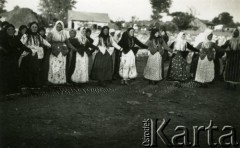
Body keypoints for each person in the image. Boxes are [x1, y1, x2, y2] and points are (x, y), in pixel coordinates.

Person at [0, 24, 32, 95]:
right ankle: (6, 91)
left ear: (14, 30)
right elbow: (3, 49)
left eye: (12, 29)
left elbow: (21, 45)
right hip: (5, 59)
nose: (11, 31)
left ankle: (13, 90)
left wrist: (29, 50)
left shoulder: (16, 38)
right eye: (9, 29)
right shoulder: (3, 38)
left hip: (13, 59)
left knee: (14, 74)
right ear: (6, 31)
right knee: (6, 75)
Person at [20, 22, 51, 88]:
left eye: (36, 27)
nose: (34, 28)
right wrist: (29, 50)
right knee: (29, 70)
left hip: (36, 54)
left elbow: (44, 41)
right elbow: (21, 44)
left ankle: (34, 84)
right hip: (28, 54)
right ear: (30, 28)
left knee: (35, 69)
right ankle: (28, 84)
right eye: (33, 27)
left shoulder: (38, 35)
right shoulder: (26, 35)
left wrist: (49, 45)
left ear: (37, 28)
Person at [47, 20, 75, 85]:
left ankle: (60, 81)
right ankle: (53, 81)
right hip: (54, 51)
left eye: (60, 27)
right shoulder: (52, 32)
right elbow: (48, 42)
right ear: (55, 26)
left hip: (62, 51)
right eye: (57, 26)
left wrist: (74, 48)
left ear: (62, 27)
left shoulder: (64, 33)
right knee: (54, 66)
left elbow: (68, 43)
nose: (59, 28)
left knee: (61, 66)